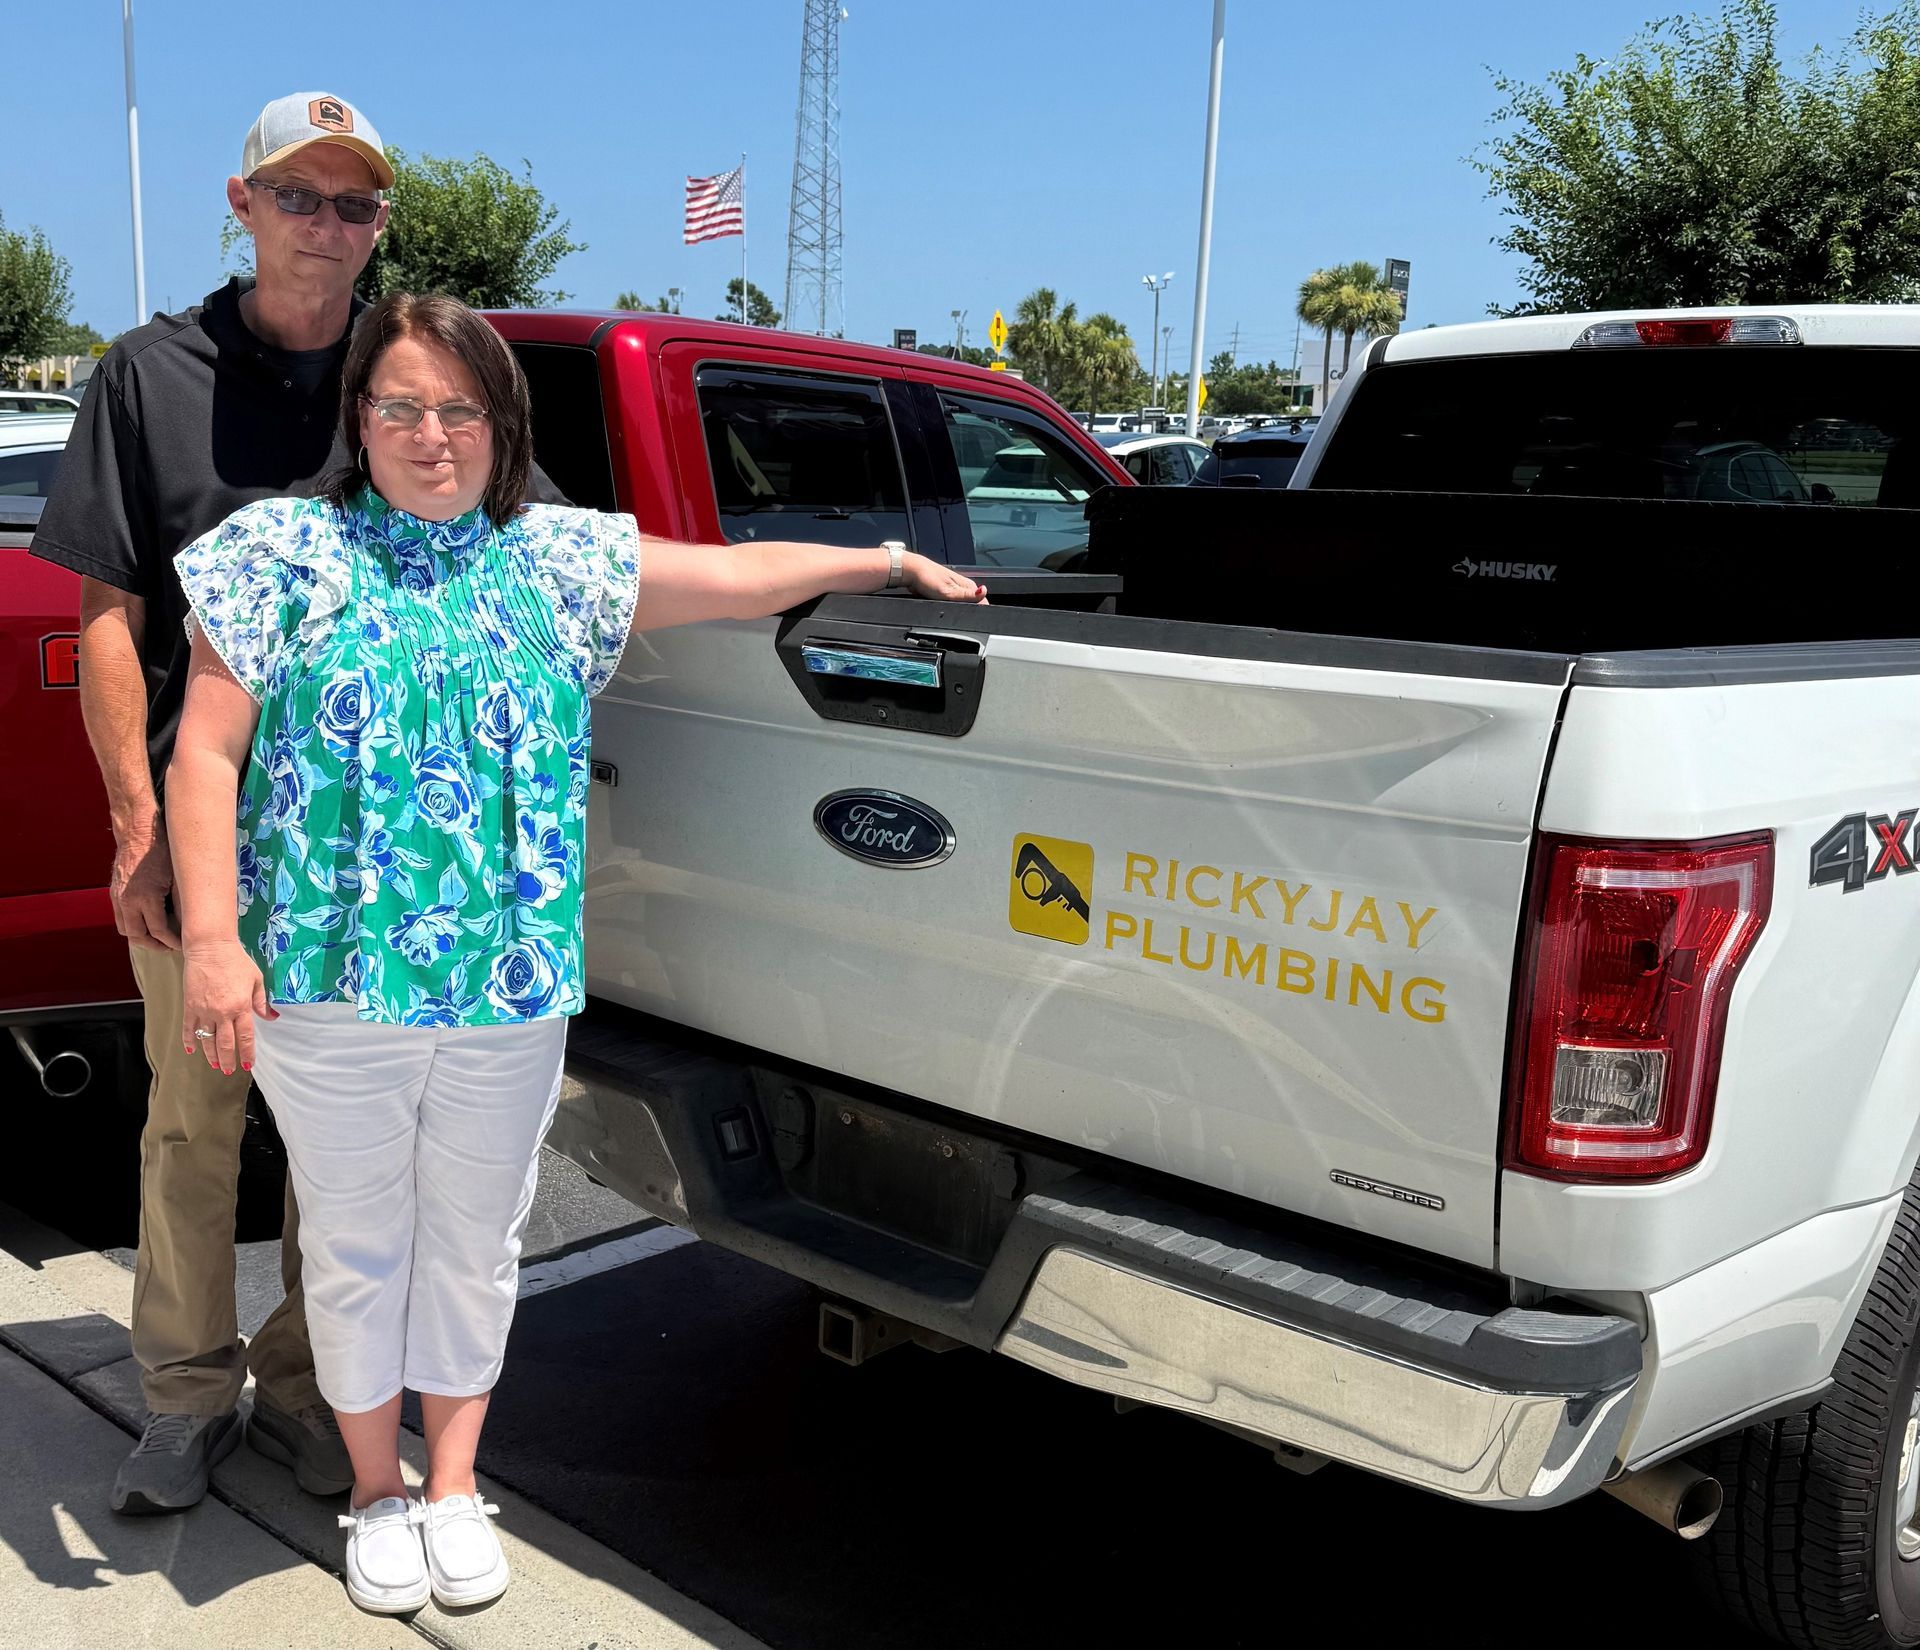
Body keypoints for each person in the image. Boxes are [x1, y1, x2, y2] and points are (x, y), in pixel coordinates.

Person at [163, 289, 985, 1613]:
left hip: (506, 983)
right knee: (360, 1238)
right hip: (326, 979)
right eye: (402, 406)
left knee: (478, 1237)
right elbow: (205, 749)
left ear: (502, 424)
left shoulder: (554, 559)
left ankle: (450, 1482)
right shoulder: (280, 553)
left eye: (461, 410)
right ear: (359, 415)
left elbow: (724, 573)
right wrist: (213, 939)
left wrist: (884, 560)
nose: (433, 435)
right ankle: (376, 1488)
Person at [31, 90, 401, 1517]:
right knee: (194, 1131)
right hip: (206, 843)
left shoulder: (405, 372)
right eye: (298, 196)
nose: (327, 224)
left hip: (366, 850)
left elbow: (526, 538)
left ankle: (314, 1391)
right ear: (240, 205)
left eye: (353, 202)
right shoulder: (146, 374)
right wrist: (133, 824)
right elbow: (109, 617)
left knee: (340, 1151)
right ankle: (184, 1394)